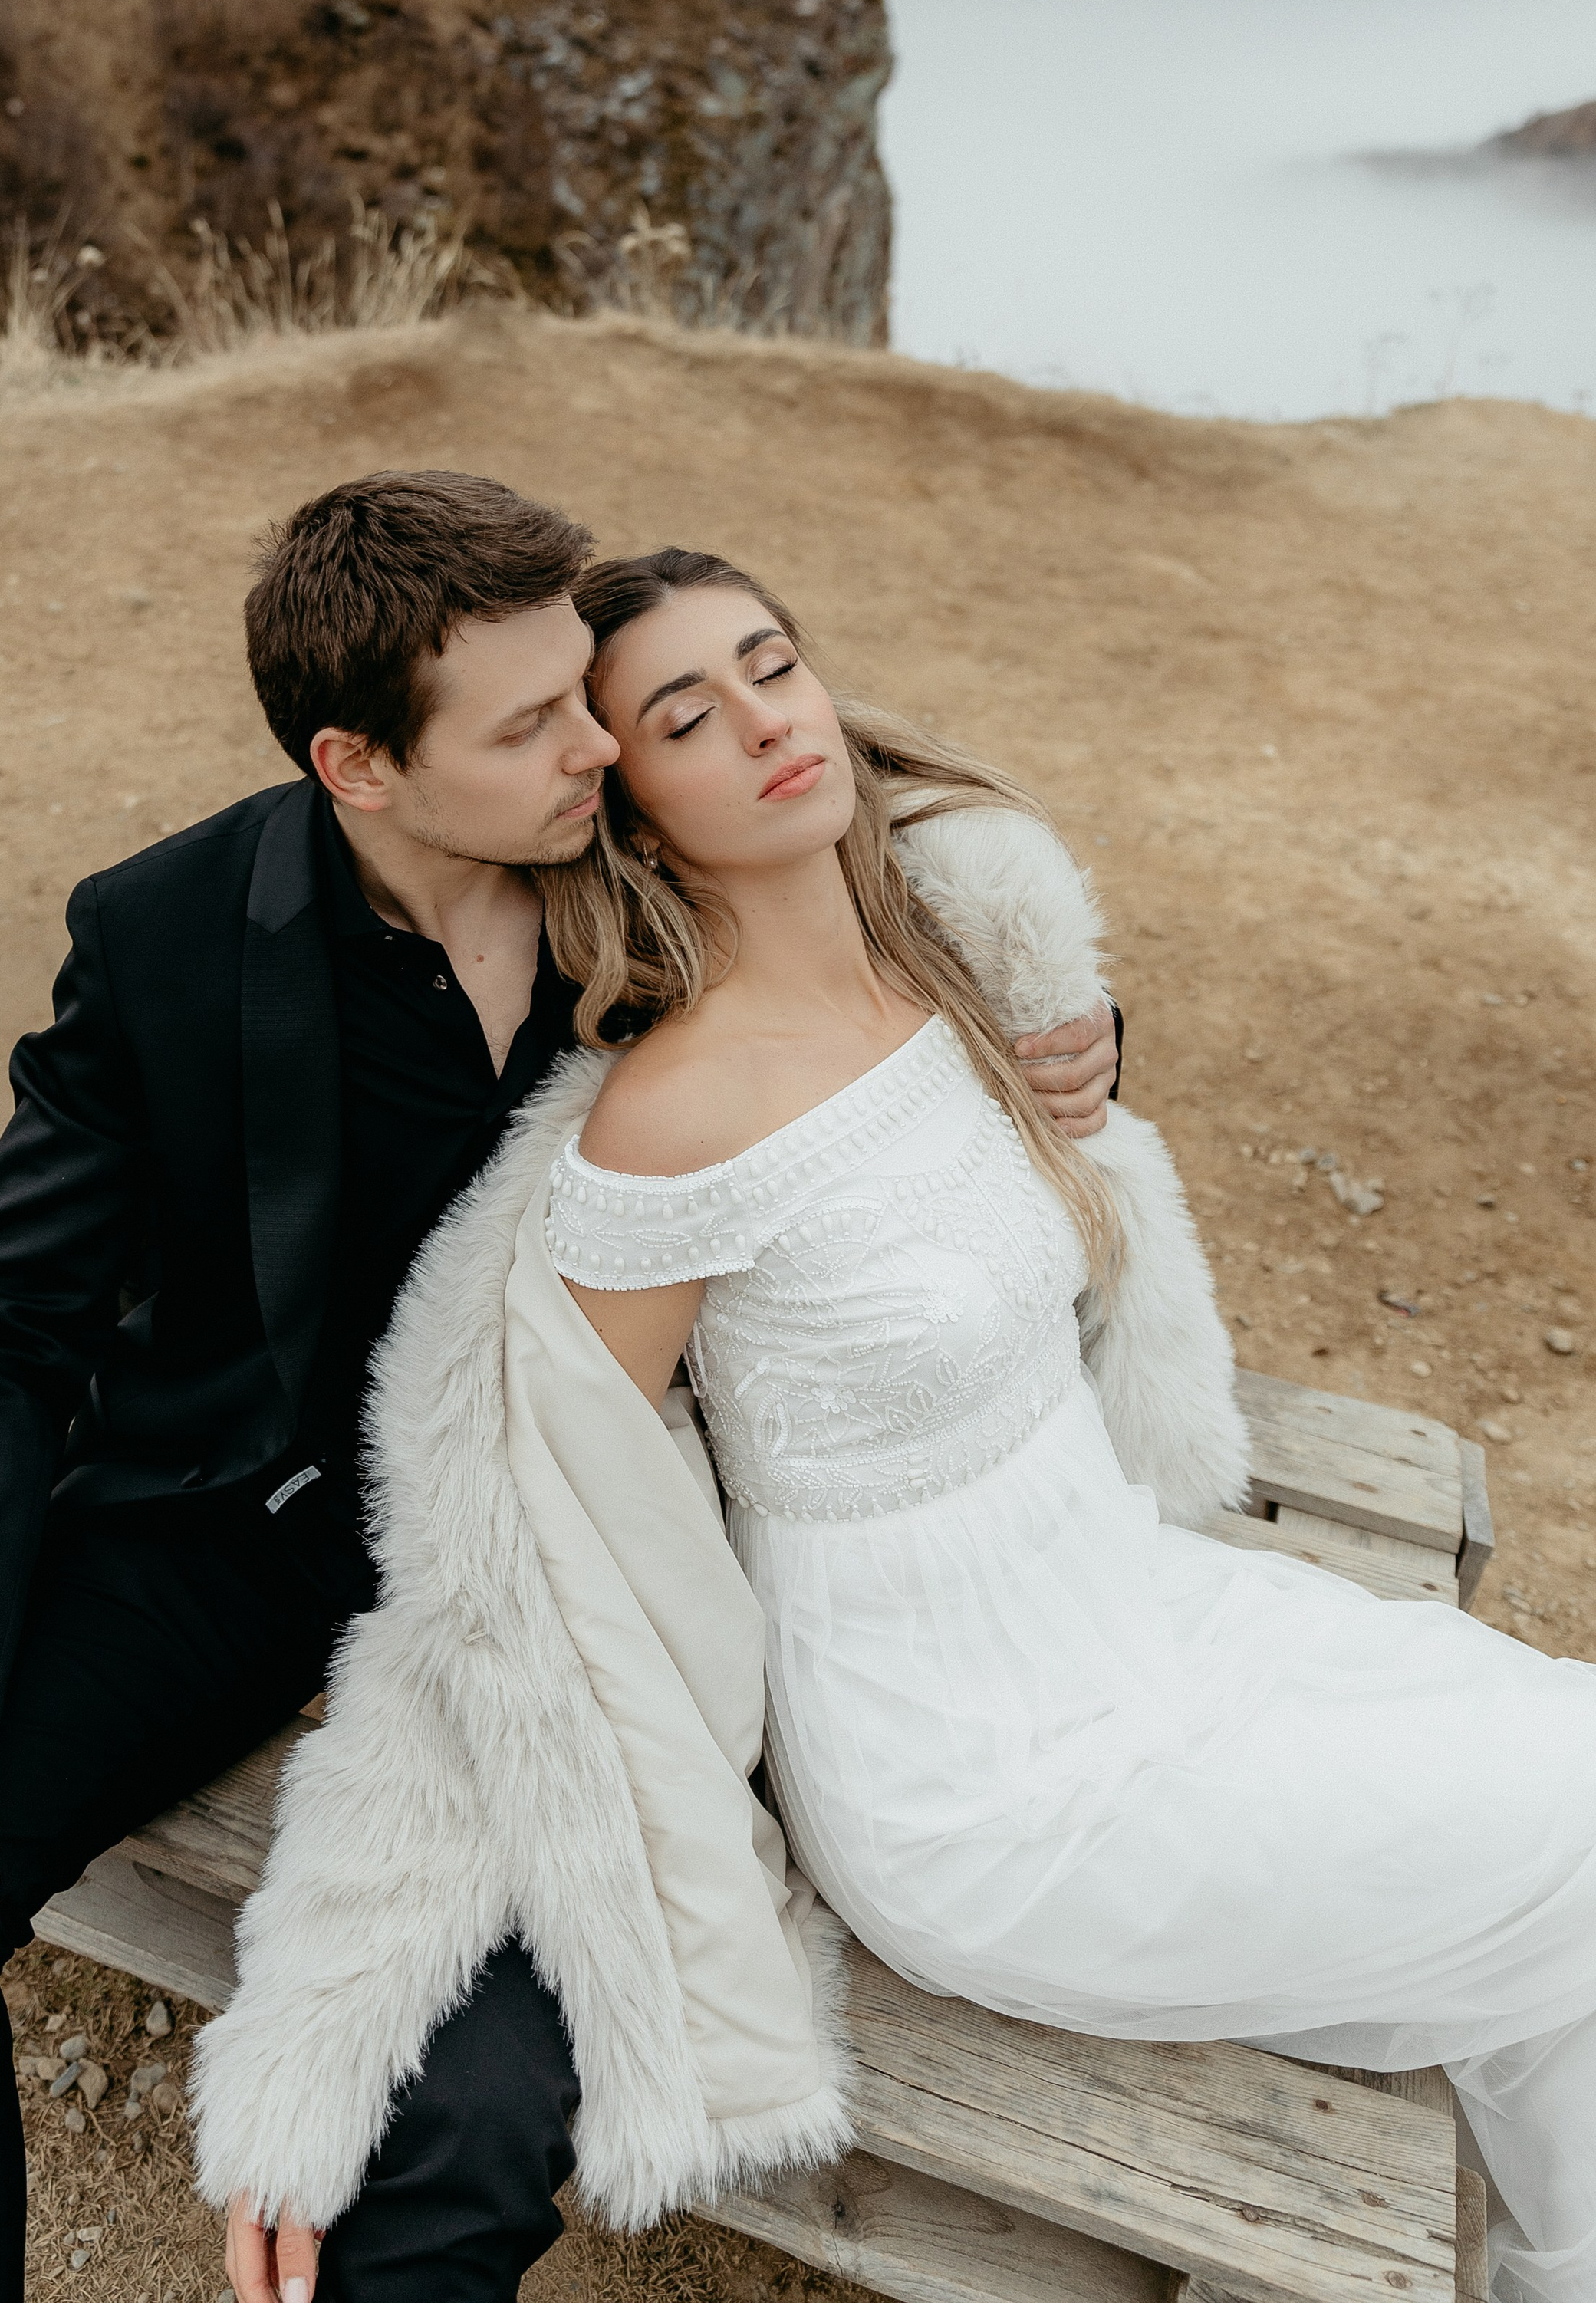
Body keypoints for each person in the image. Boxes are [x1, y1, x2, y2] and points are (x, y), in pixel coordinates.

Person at [0, 478, 1119, 2303]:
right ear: (358, 765)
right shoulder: (164, 935)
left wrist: (1079, 1036)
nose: (599, 744)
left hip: (589, 1561)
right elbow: (1, 1330)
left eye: (585, 692)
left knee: (462, 2123)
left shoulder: (650, 865)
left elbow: (896, 931)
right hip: (228, 1532)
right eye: (531, 725)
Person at [194, 548, 1594, 2303]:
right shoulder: (668, 1122)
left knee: (1558, 1865)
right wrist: (318, 2041)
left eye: (770, 663)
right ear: (630, 807)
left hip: (1154, 1619)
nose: (766, 720)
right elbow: (508, 1564)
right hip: (981, 1786)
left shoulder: (950, 977)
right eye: (684, 715)